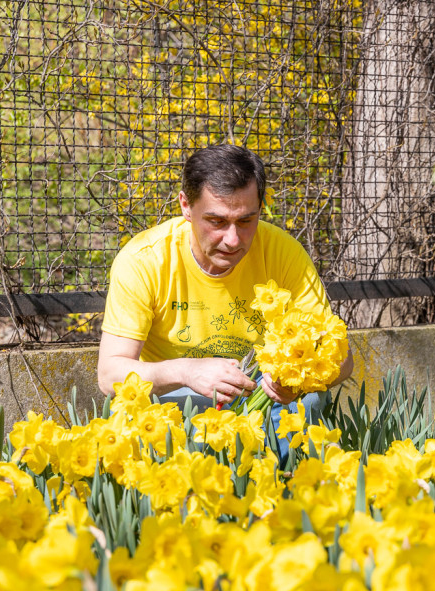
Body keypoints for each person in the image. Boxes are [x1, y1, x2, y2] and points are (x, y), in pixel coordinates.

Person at [97, 144, 353, 417]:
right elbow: (110, 374)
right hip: (177, 397)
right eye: (216, 221)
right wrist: (187, 371)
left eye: (246, 220)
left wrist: (294, 383)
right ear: (186, 205)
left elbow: (341, 359)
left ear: (260, 208)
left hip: (260, 397)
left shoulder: (284, 252)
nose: (232, 240)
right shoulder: (144, 259)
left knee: (309, 402)